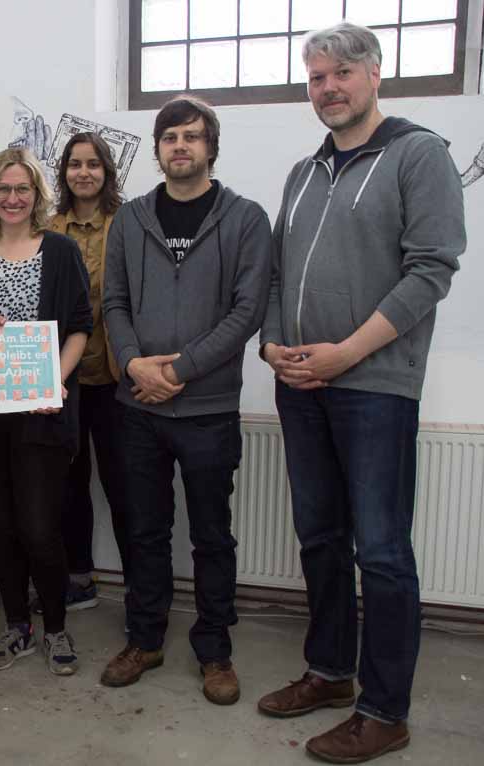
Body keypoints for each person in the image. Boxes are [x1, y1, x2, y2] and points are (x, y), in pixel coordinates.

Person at [256, 23, 464, 763]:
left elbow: (431, 269)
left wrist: (346, 353)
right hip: (300, 384)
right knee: (319, 539)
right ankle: (329, 672)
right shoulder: (303, 172)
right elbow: (277, 274)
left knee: (380, 551)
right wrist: (271, 345)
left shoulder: (419, 154)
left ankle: (384, 711)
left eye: (341, 72)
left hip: (374, 386)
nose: (328, 88)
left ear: (376, 74)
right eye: (316, 77)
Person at [100, 96, 273, 705]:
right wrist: (133, 364)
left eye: (192, 136)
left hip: (208, 409)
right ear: (157, 148)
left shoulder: (246, 219)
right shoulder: (130, 219)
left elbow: (248, 310)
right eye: (170, 136)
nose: (181, 146)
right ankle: (144, 638)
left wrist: (179, 369)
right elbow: (114, 302)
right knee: (145, 531)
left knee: (211, 535)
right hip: (139, 408)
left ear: (210, 147)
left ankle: (214, 649)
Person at [0, 148, 92, 676]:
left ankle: (55, 628)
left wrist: (58, 380)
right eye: (3, 189)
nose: (12, 198)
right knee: (0, 525)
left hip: (42, 412)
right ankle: (17, 627)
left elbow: (80, 326)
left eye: (22, 188)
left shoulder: (61, 251)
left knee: (39, 527)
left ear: (36, 195)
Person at [44, 131, 126, 613]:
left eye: (93, 164)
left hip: (116, 378)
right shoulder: (48, 227)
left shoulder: (129, 223)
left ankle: (142, 588)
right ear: (64, 173)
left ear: (107, 172)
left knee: (124, 486)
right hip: (63, 377)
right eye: (75, 164)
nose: (84, 172)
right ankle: (78, 578)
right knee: (67, 487)